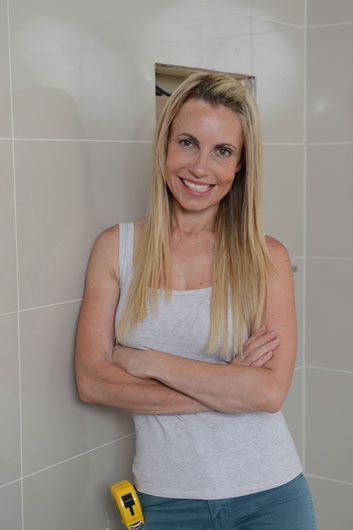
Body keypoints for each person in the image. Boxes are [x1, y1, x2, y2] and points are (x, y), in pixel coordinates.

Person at [75, 72, 316, 529]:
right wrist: (229, 385)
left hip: (271, 497)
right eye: (188, 142)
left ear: (240, 164)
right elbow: (93, 381)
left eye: (222, 151)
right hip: (166, 502)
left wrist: (147, 360)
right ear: (165, 145)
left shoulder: (268, 257)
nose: (200, 168)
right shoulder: (116, 249)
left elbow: (267, 392)